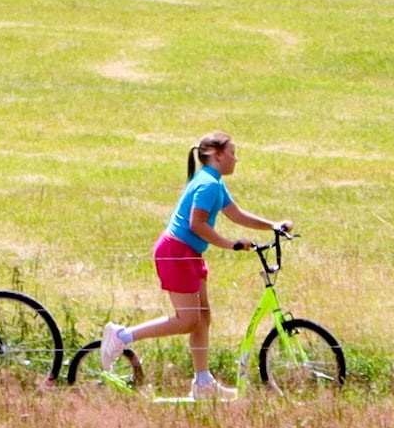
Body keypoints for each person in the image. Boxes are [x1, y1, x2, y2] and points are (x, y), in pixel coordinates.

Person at [97, 133, 278, 398]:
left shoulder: (213, 181)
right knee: (188, 320)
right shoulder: (207, 185)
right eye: (232, 153)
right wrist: (230, 244)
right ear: (217, 155)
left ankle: (203, 383)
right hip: (176, 252)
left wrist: (272, 225)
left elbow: (236, 214)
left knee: (203, 318)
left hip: (189, 253)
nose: (236, 159)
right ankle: (122, 336)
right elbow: (197, 224)